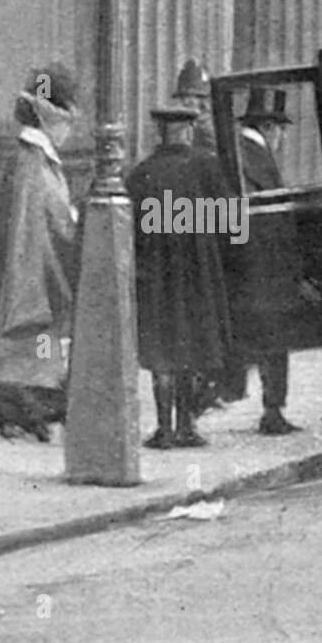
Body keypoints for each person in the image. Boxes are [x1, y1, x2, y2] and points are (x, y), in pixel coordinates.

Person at [0, 64, 81, 442]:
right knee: (28, 343)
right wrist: (75, 220)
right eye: (67, 120)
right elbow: (48, 216)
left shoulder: (32, 157)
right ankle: (19, 408)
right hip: (30, 270)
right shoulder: (33, 161)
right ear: (53, 117)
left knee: (30, 346)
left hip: (24, 263)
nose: (70, 130)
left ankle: (13, 407)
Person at [126, 105, 237, 449]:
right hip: (197, 275)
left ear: (160, 133)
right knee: (192, 346)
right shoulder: (207, 168)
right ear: (188, 130)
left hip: (156, 276)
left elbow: (127, 230)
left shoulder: (141, 174)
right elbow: (232, 222)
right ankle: (187, 425)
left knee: (162, 351)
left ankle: (164, 430)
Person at [232, 87, 306, 436]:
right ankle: (272, 411)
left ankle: (271, 407)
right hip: (265, 265)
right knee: (273, 339)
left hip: (252, 265)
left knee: (263, 340)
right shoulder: (253, 156)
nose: (282, 138)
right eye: (281, 130)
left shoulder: (243, 152)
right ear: (270, 128)